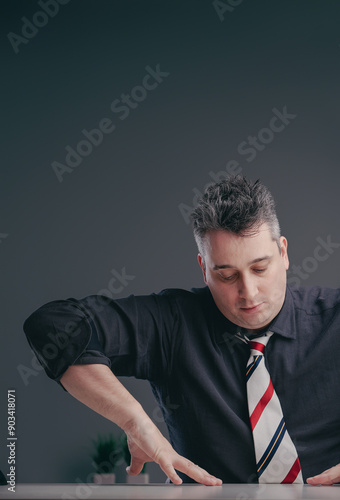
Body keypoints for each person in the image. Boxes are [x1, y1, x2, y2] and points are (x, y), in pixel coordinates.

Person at [23, 176, 340, 486]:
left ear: (283, 253)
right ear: (204, 269)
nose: (249, 292)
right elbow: (53, 324)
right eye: (227, 275)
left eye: (260, 268)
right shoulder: (172, 323)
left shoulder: (333, 318)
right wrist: (135, 422)